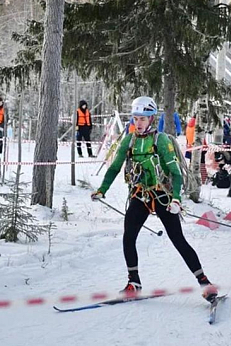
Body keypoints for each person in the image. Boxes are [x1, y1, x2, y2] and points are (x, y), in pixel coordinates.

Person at [90, 96, 218, 302]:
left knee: (178, 240)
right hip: (140, 194)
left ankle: (205, 283)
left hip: (162, 195)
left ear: (151, 119)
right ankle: (134, 283)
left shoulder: (161, 140)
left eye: (142, 119)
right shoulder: (129, 140)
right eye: (135, 118)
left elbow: (176, 174)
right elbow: (114, 167)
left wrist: (176, 200)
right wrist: (102, 190)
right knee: (128, 236)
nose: (138, 123)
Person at [184, 116, 208, 184]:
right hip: (199, 147)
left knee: (192, 163)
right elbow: (201, 138)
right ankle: (203, 179)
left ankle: (190, 178)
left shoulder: (189, 126)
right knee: (202, 163)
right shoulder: (198, 126)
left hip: (190, 147)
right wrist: (205, 146)